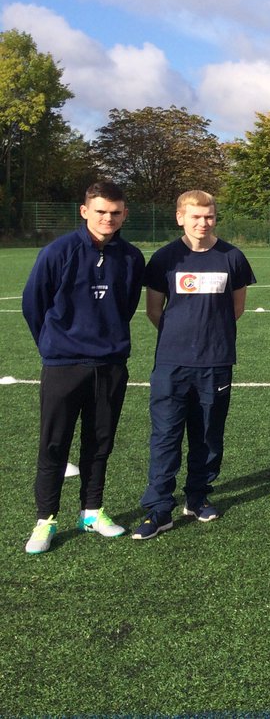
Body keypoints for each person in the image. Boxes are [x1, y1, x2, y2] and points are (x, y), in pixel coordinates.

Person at [22, 181, 145, 554]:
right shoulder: (58, 251)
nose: (108, 218)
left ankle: (92, 511)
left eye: (116, 212)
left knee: (100, 442)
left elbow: (126, 306)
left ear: (124, 213)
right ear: (84, 211)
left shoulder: (131, 256)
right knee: (54, 443)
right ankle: (45, 519)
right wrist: (53, 345)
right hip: (64, 364)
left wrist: (109, 344)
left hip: (110, 364)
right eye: (101, 211)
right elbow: (34, 304)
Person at [131, 191, 256, 540]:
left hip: (216, 362)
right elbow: (154, 310)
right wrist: (180, 341)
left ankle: (198, 496)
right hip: (171, 364)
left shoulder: (232, 257)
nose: (203, 223)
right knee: (165, 436)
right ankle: (158, 508)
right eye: (196, 217)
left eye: (210, 217)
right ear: (180, 217)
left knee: (207, 434)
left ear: (216, 217)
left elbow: (237, 309)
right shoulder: (165, 259)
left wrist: (208, 341)